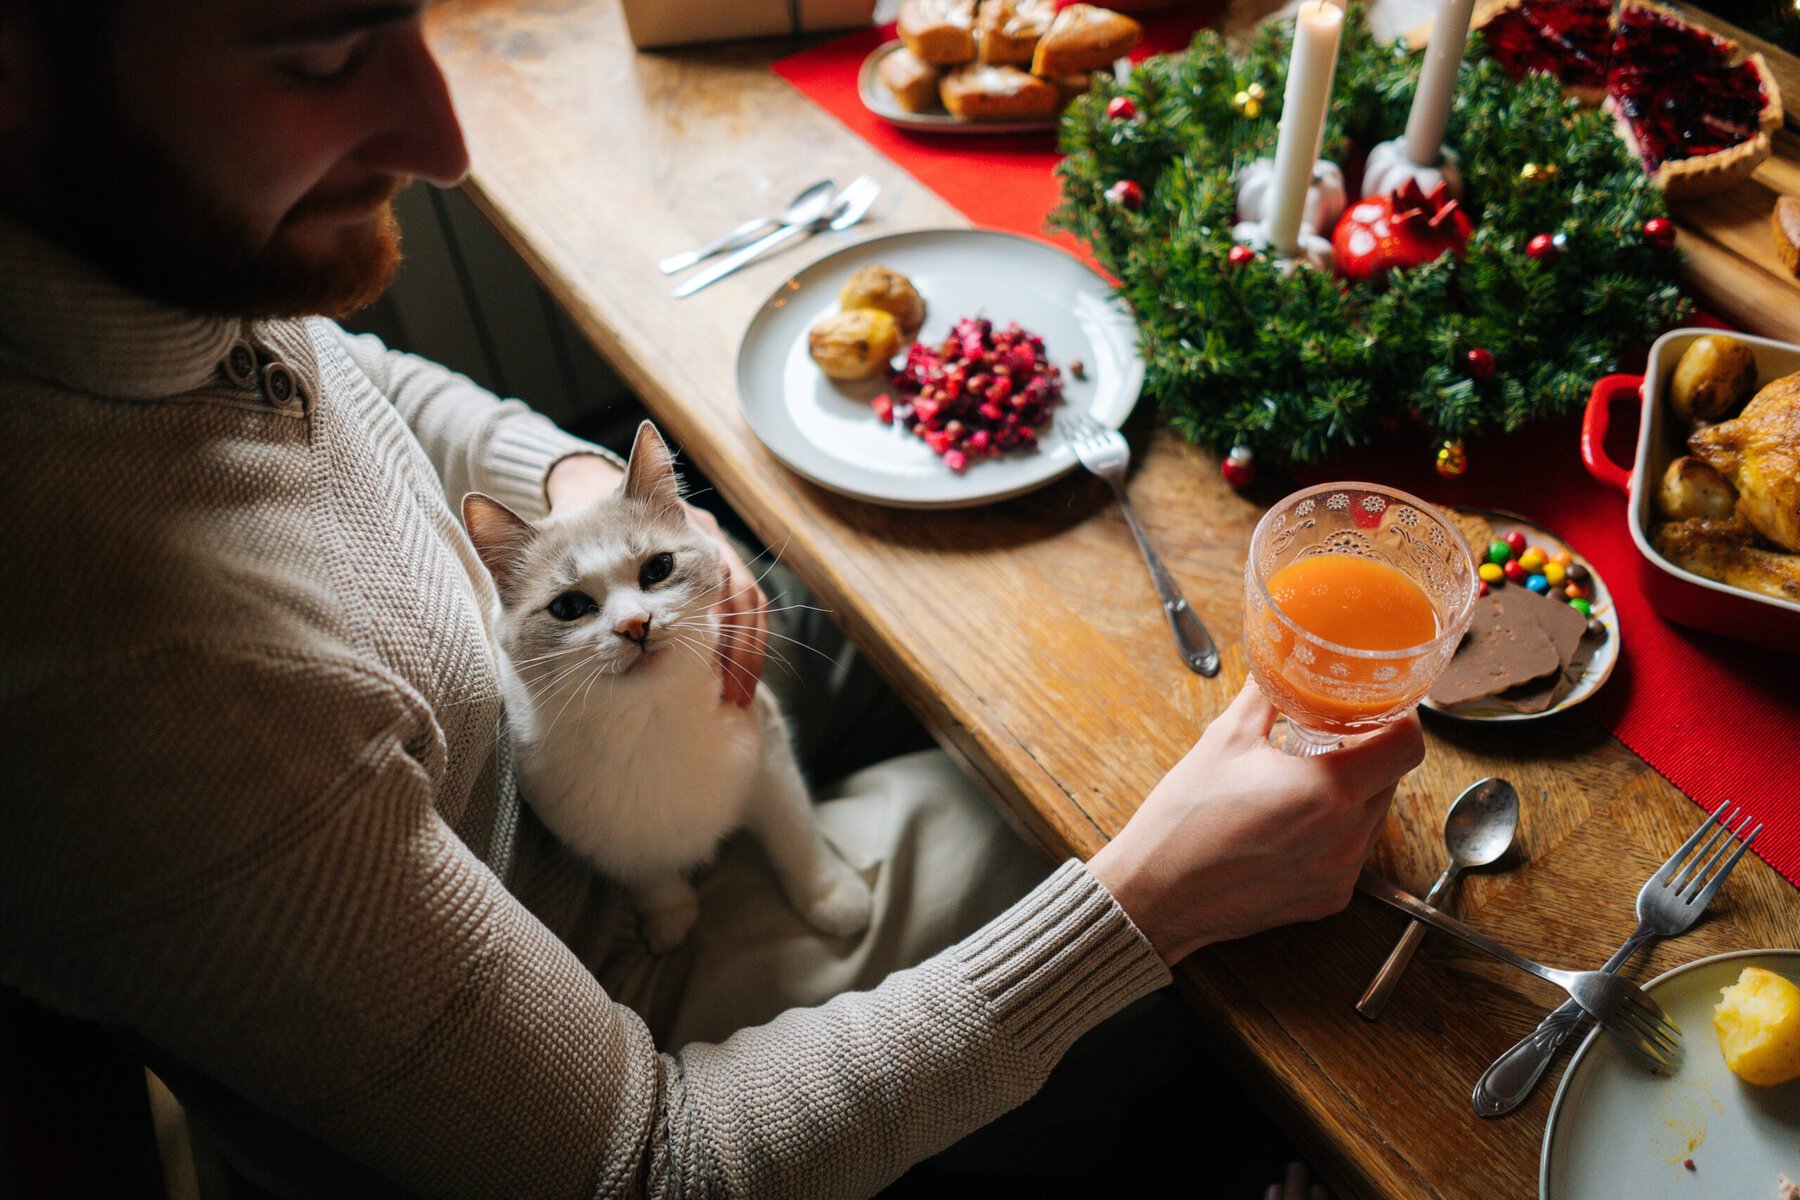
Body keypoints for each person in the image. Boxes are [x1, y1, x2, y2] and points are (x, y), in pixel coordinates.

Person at [0, 1, 1425, 1197]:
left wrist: (571, 495)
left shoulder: (156, 268)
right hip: (614, 994)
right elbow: (649, 1164)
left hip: (557, 713)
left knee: (964, 597)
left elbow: (363, 379)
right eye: (319, 59)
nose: (440, 143)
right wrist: (1150, 902)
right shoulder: (132, 694)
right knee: (1133, 822)